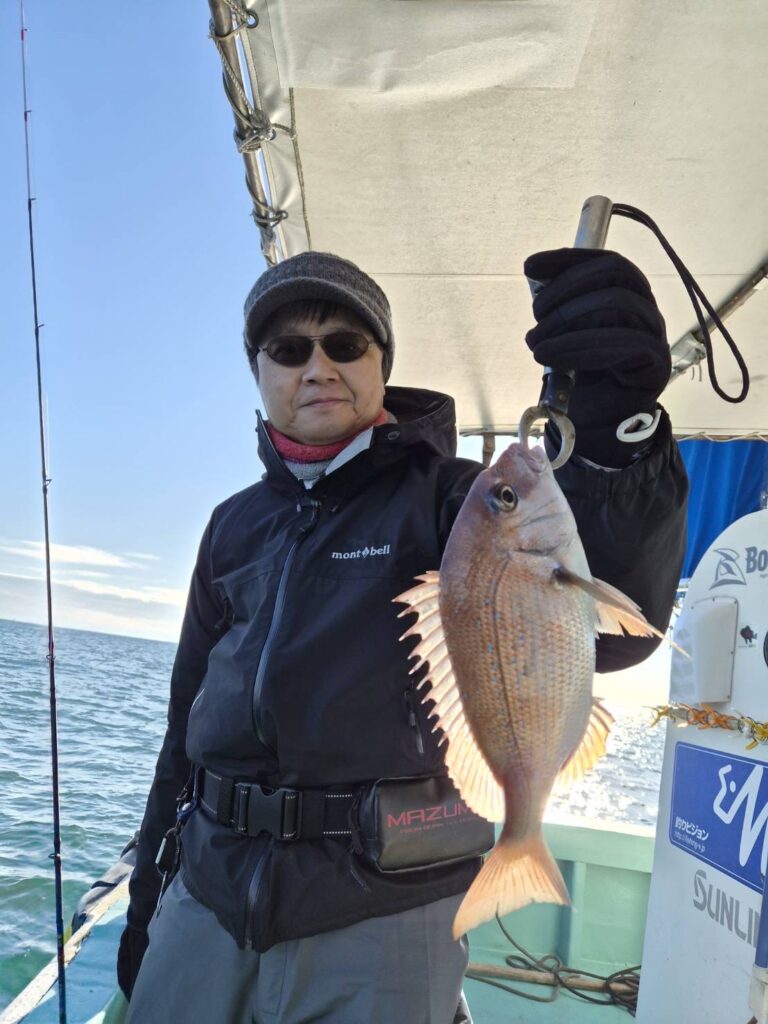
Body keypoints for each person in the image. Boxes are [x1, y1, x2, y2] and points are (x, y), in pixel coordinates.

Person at [118, 249, 688, 1023]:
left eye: (345, 344)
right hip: (206, 894)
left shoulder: (458, 502)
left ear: (382, 364)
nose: (318, 367)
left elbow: (613, 629)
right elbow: (181, 732)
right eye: (288, 349)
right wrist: (147, 904)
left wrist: (616, 439)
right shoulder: (232, 526)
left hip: (382, 908)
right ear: (258, 370)